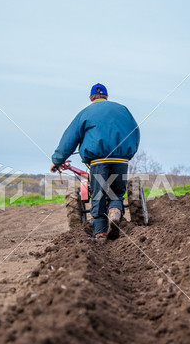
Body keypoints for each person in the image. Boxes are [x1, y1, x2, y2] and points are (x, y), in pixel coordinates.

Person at [50, 83, 140, 240]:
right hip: (120, 159)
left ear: (91, 98)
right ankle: (114, 211)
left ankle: (100, 232)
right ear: (106, 96)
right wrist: (127, 154)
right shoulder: (123, 110)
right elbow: (135, 132)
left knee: (98, 195)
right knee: (117, 193)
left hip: (98, 161)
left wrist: (57, 160)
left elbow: (69, 139)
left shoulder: (85, 113)